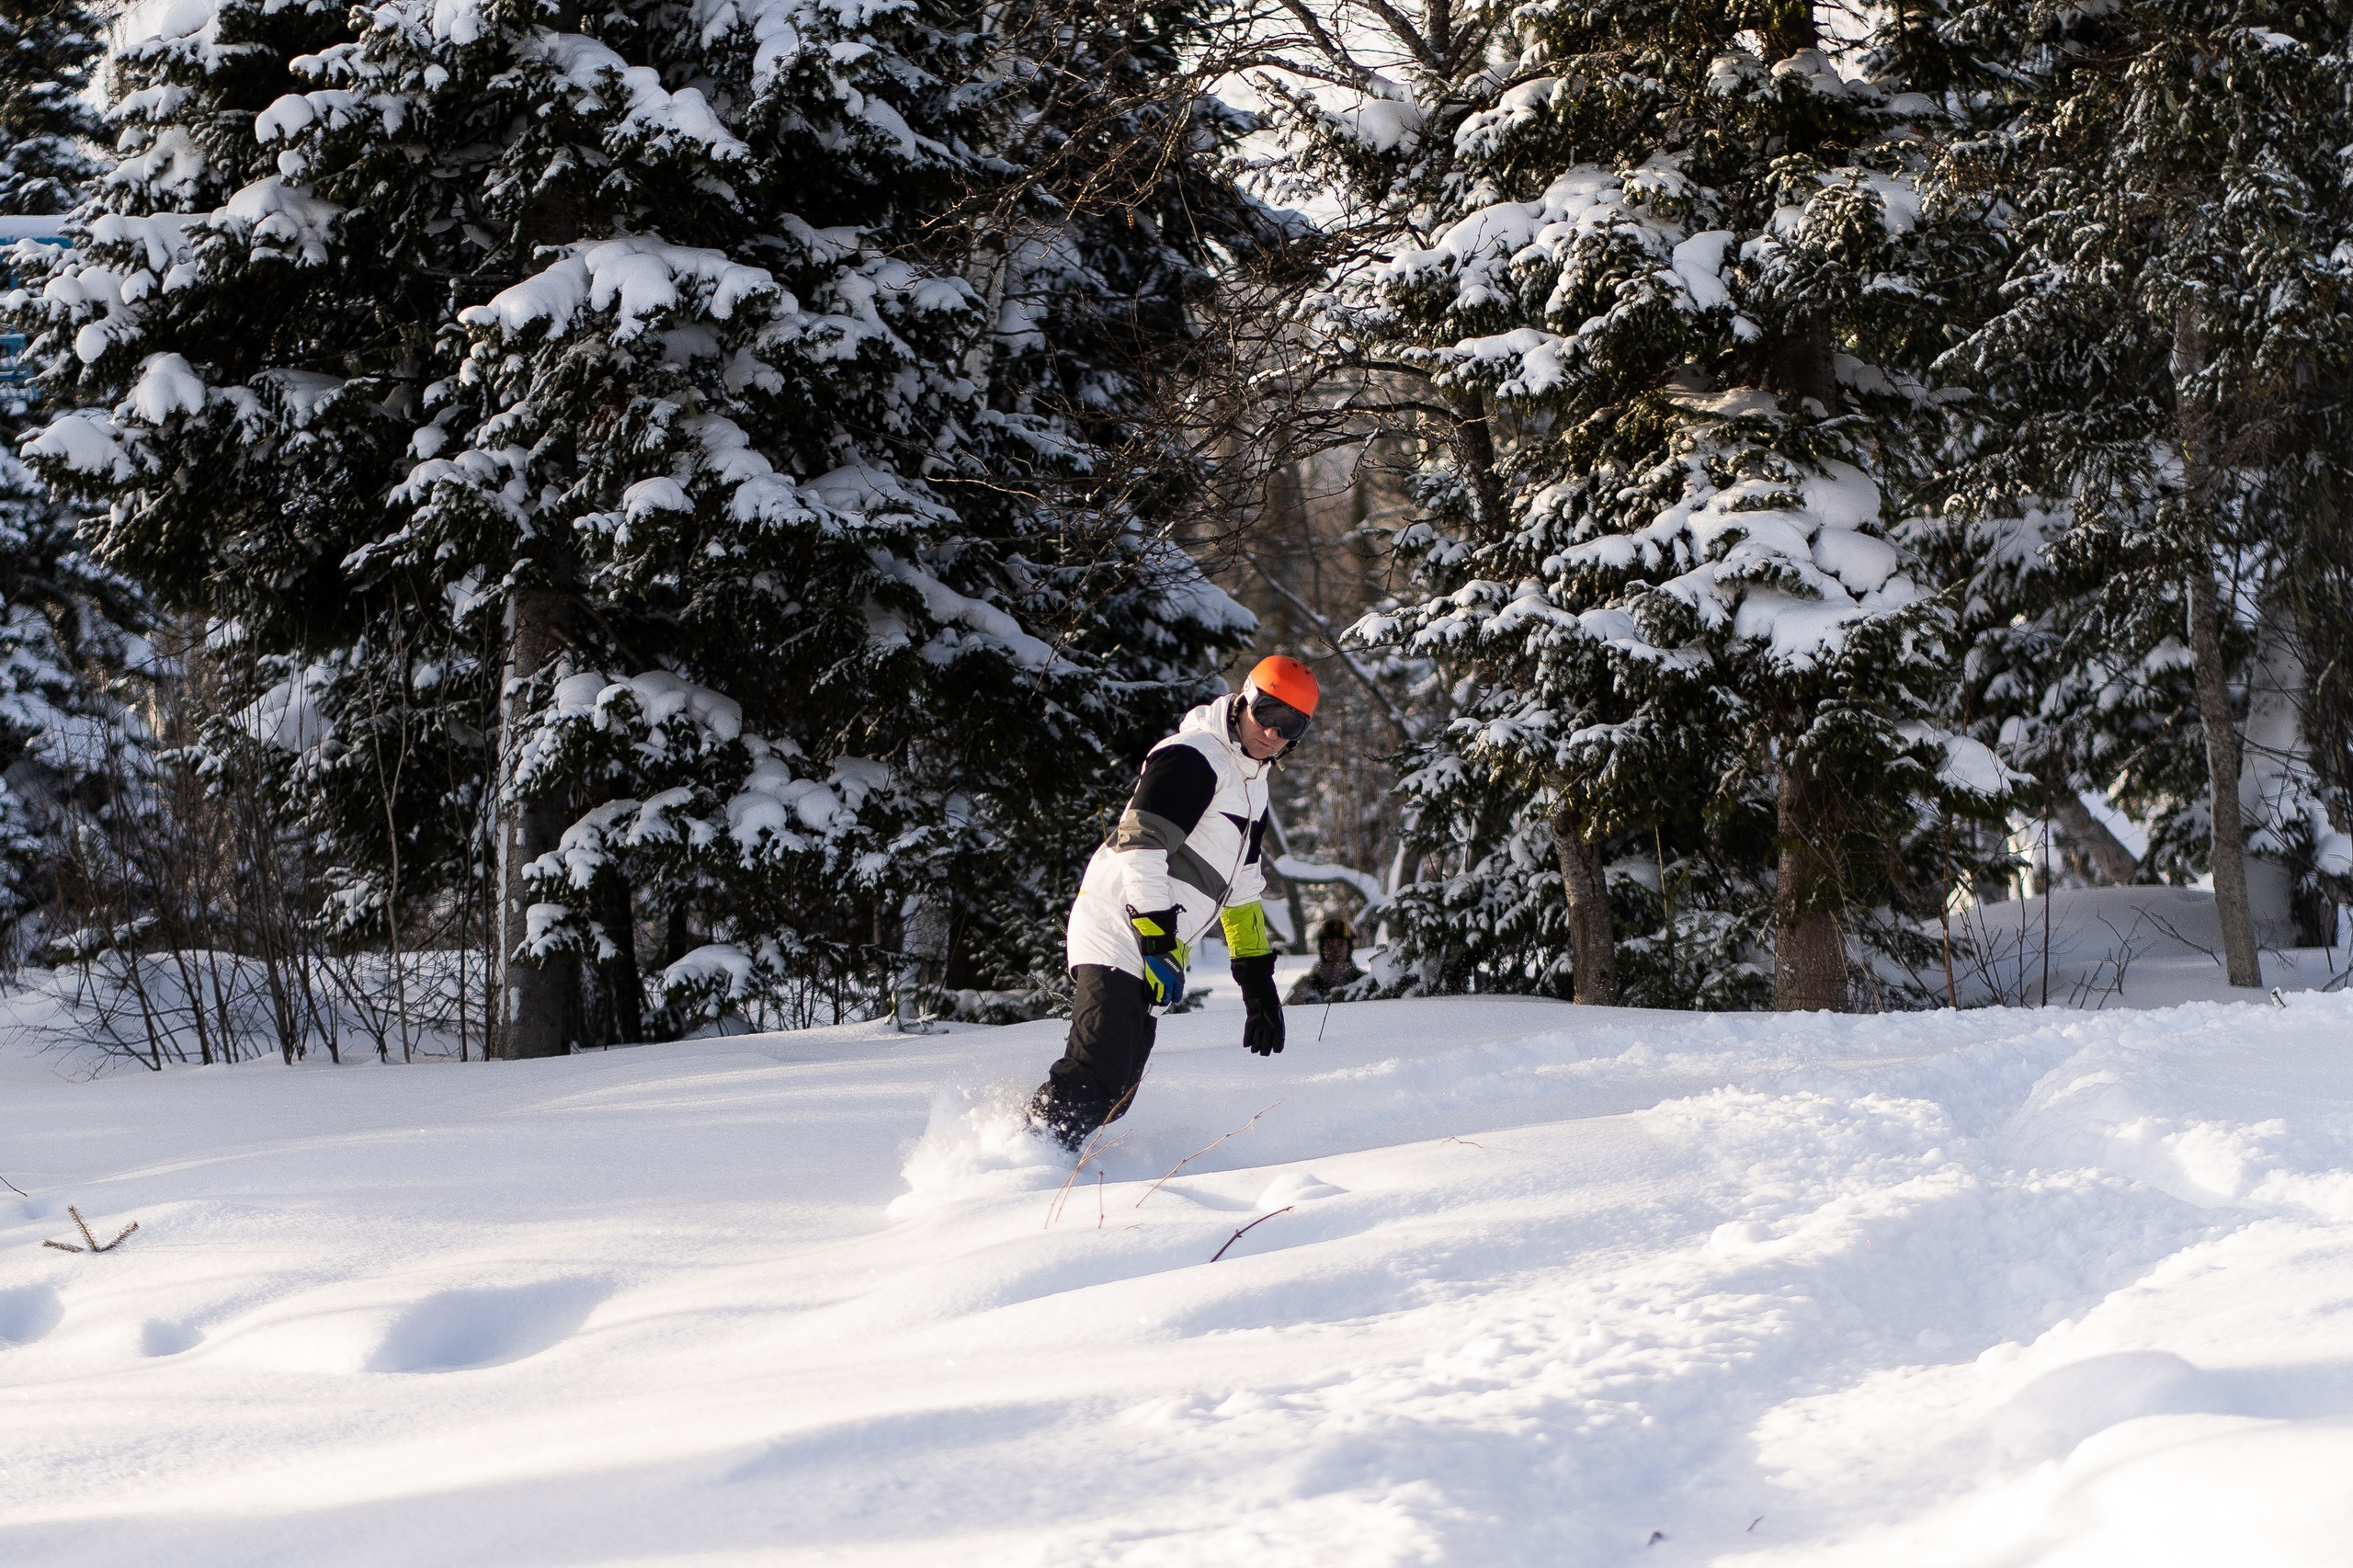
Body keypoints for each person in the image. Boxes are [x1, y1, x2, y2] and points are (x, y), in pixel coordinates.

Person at [1029, 655, 1321, 1151]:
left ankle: (1042, 1152)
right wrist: (1157, 938)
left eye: (1290, 724)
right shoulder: (1194, 756)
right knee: (1097, 1071)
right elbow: (1140, 843)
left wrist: (1258, 986)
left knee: (1118, 1090)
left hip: (1154, 941)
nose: (1273, 731)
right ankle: (1022, 1157)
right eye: (1267, 710)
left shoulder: (1253, 785)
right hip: (1121, 926)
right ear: (1244, 699)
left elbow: (1243, 888)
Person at [1287, 916, 1364, 1005]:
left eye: (1340, 944)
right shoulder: (1304, 986)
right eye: (1330, 944)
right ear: (1321, 948)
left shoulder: (1364, 982)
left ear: (1349, 948)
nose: (1335, 949)